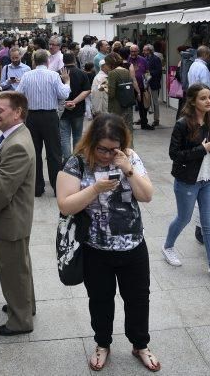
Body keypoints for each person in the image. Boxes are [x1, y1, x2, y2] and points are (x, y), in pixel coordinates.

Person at [56, 114, 159, 372]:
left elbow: (146, 196)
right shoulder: (76, 162)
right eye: (102, 148)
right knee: (100, 300)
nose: (107, 154)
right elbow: (65, 205)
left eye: (114, 149)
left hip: (133, 245)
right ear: (92, 142)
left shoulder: (129, 157)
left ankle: (140, 344)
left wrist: (128, 169)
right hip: (95, 248)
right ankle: (102, 343)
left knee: (138, 299)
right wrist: (94, 190)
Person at [0, 92, 37, 336]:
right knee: (20, 267)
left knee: (12, 271)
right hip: (14, 219)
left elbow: (3, 190)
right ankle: (24, 306)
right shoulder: (16, 135)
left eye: (0, 110)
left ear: (17, 112)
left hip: (9, 220)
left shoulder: (17, 145)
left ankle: (19, 321)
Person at [163, 83, 210, 285]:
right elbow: (174, 154)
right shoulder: (183, 124)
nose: (208, 101)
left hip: (209, 179)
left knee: (209, 225)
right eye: (203, 98)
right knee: (184, 218)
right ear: (192, 101)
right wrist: (201, 150)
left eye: (209, 97)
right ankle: (168, 247)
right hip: (188, 180)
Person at [16, 49, 71, 197]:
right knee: (54, 153)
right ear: (47, 61)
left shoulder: (27, 76)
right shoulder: (54, 76)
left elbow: (18, 95)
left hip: (32, 117)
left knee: (34, 152)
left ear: (34, 61)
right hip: (50, 117)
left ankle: (37, 188)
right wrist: (67, 81)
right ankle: (56, 187)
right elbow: (64, 94)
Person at [60, 52, 92, 161]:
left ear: (63, 61)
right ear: (74, 60)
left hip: (62, 110)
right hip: (78, 110)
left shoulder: (57, 73)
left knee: (64, 136)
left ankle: (67, 160)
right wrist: (74, 101)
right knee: (78, 135)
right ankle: (76, 160)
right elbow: (87, 90)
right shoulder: (82, 73)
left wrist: (66, 103)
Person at [106, 53, 135, 137]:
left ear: (110, 63)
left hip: (116, 106)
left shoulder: (112, 73)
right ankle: (129, 148)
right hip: (127, 104)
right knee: (128, 129)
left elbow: (111, 94)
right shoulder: (126, 70)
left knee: (116, 131)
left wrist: (104, 88)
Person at [128, 44, 153, 131]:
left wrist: (147, 83)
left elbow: (147, 72)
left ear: (138, 51)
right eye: (131, 51)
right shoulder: (127, 60)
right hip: (130, 88)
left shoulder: (143, 60)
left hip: (142, 87)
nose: (133, 53)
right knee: (129, 107)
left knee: (143, 107)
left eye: (135, 51)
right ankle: (129, 125)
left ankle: (144, 123)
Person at [143, 44, 163, 128]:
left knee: (155, 102)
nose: (143, 52)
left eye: (145, 50)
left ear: (149, 51)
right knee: (146, 101)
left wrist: (149, 73)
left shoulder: (156, 59)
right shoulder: (145, 59)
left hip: (154, 83)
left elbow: (159, 71)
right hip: (147, 83)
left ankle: (156, 119)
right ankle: (144, 119)